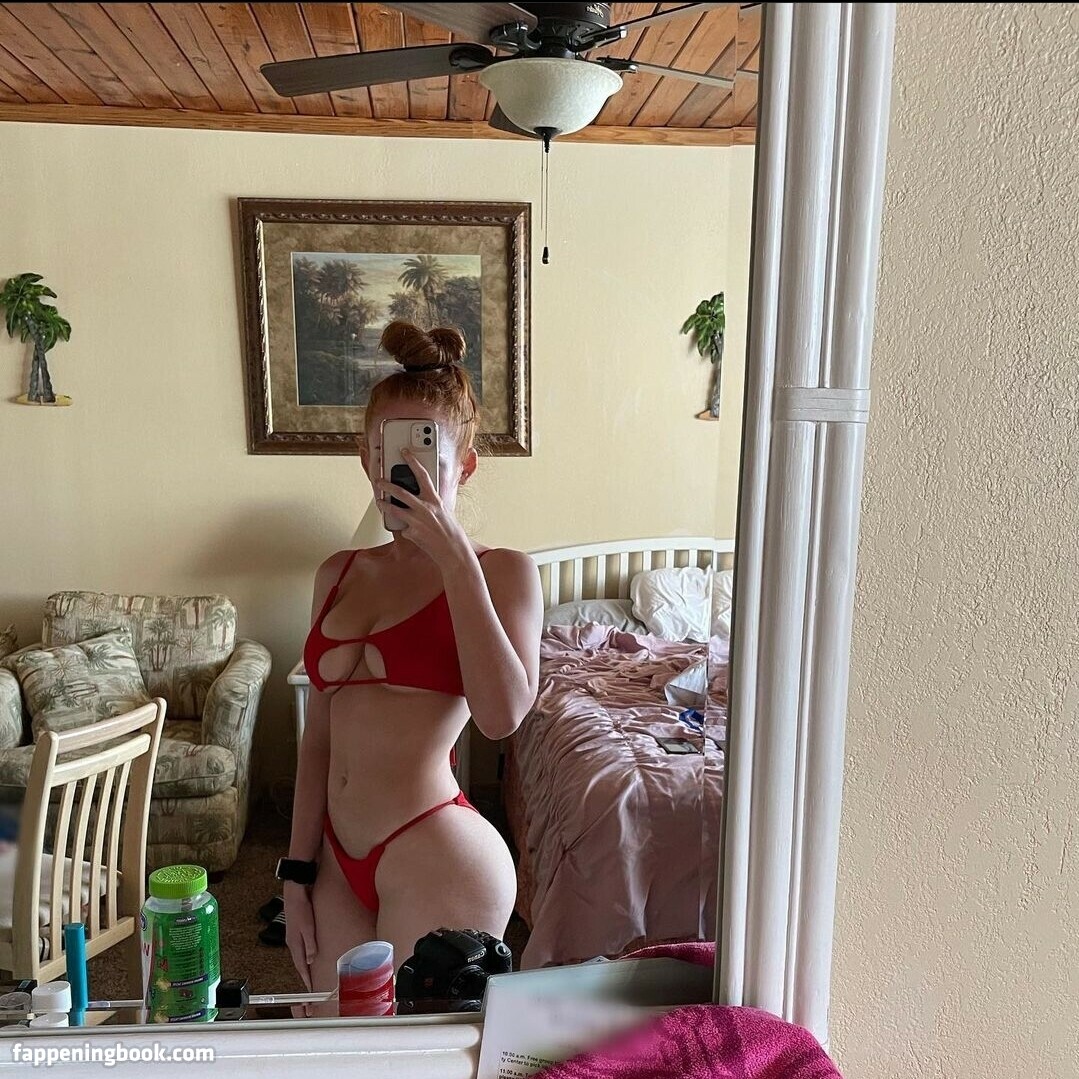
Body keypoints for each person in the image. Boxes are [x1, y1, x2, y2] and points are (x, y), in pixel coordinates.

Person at [282, 321, 543, 1016]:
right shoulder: (337, 572)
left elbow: (502, 715)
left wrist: (455, 559)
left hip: (435, 850)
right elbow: (318, 738)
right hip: (335, 859)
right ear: (365, 460)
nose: (397, 470)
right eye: (383, 452)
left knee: (411, 1050)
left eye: (422, 452)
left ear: (465, 465)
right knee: (339, 1043)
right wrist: (295, 873)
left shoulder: (504, 572)